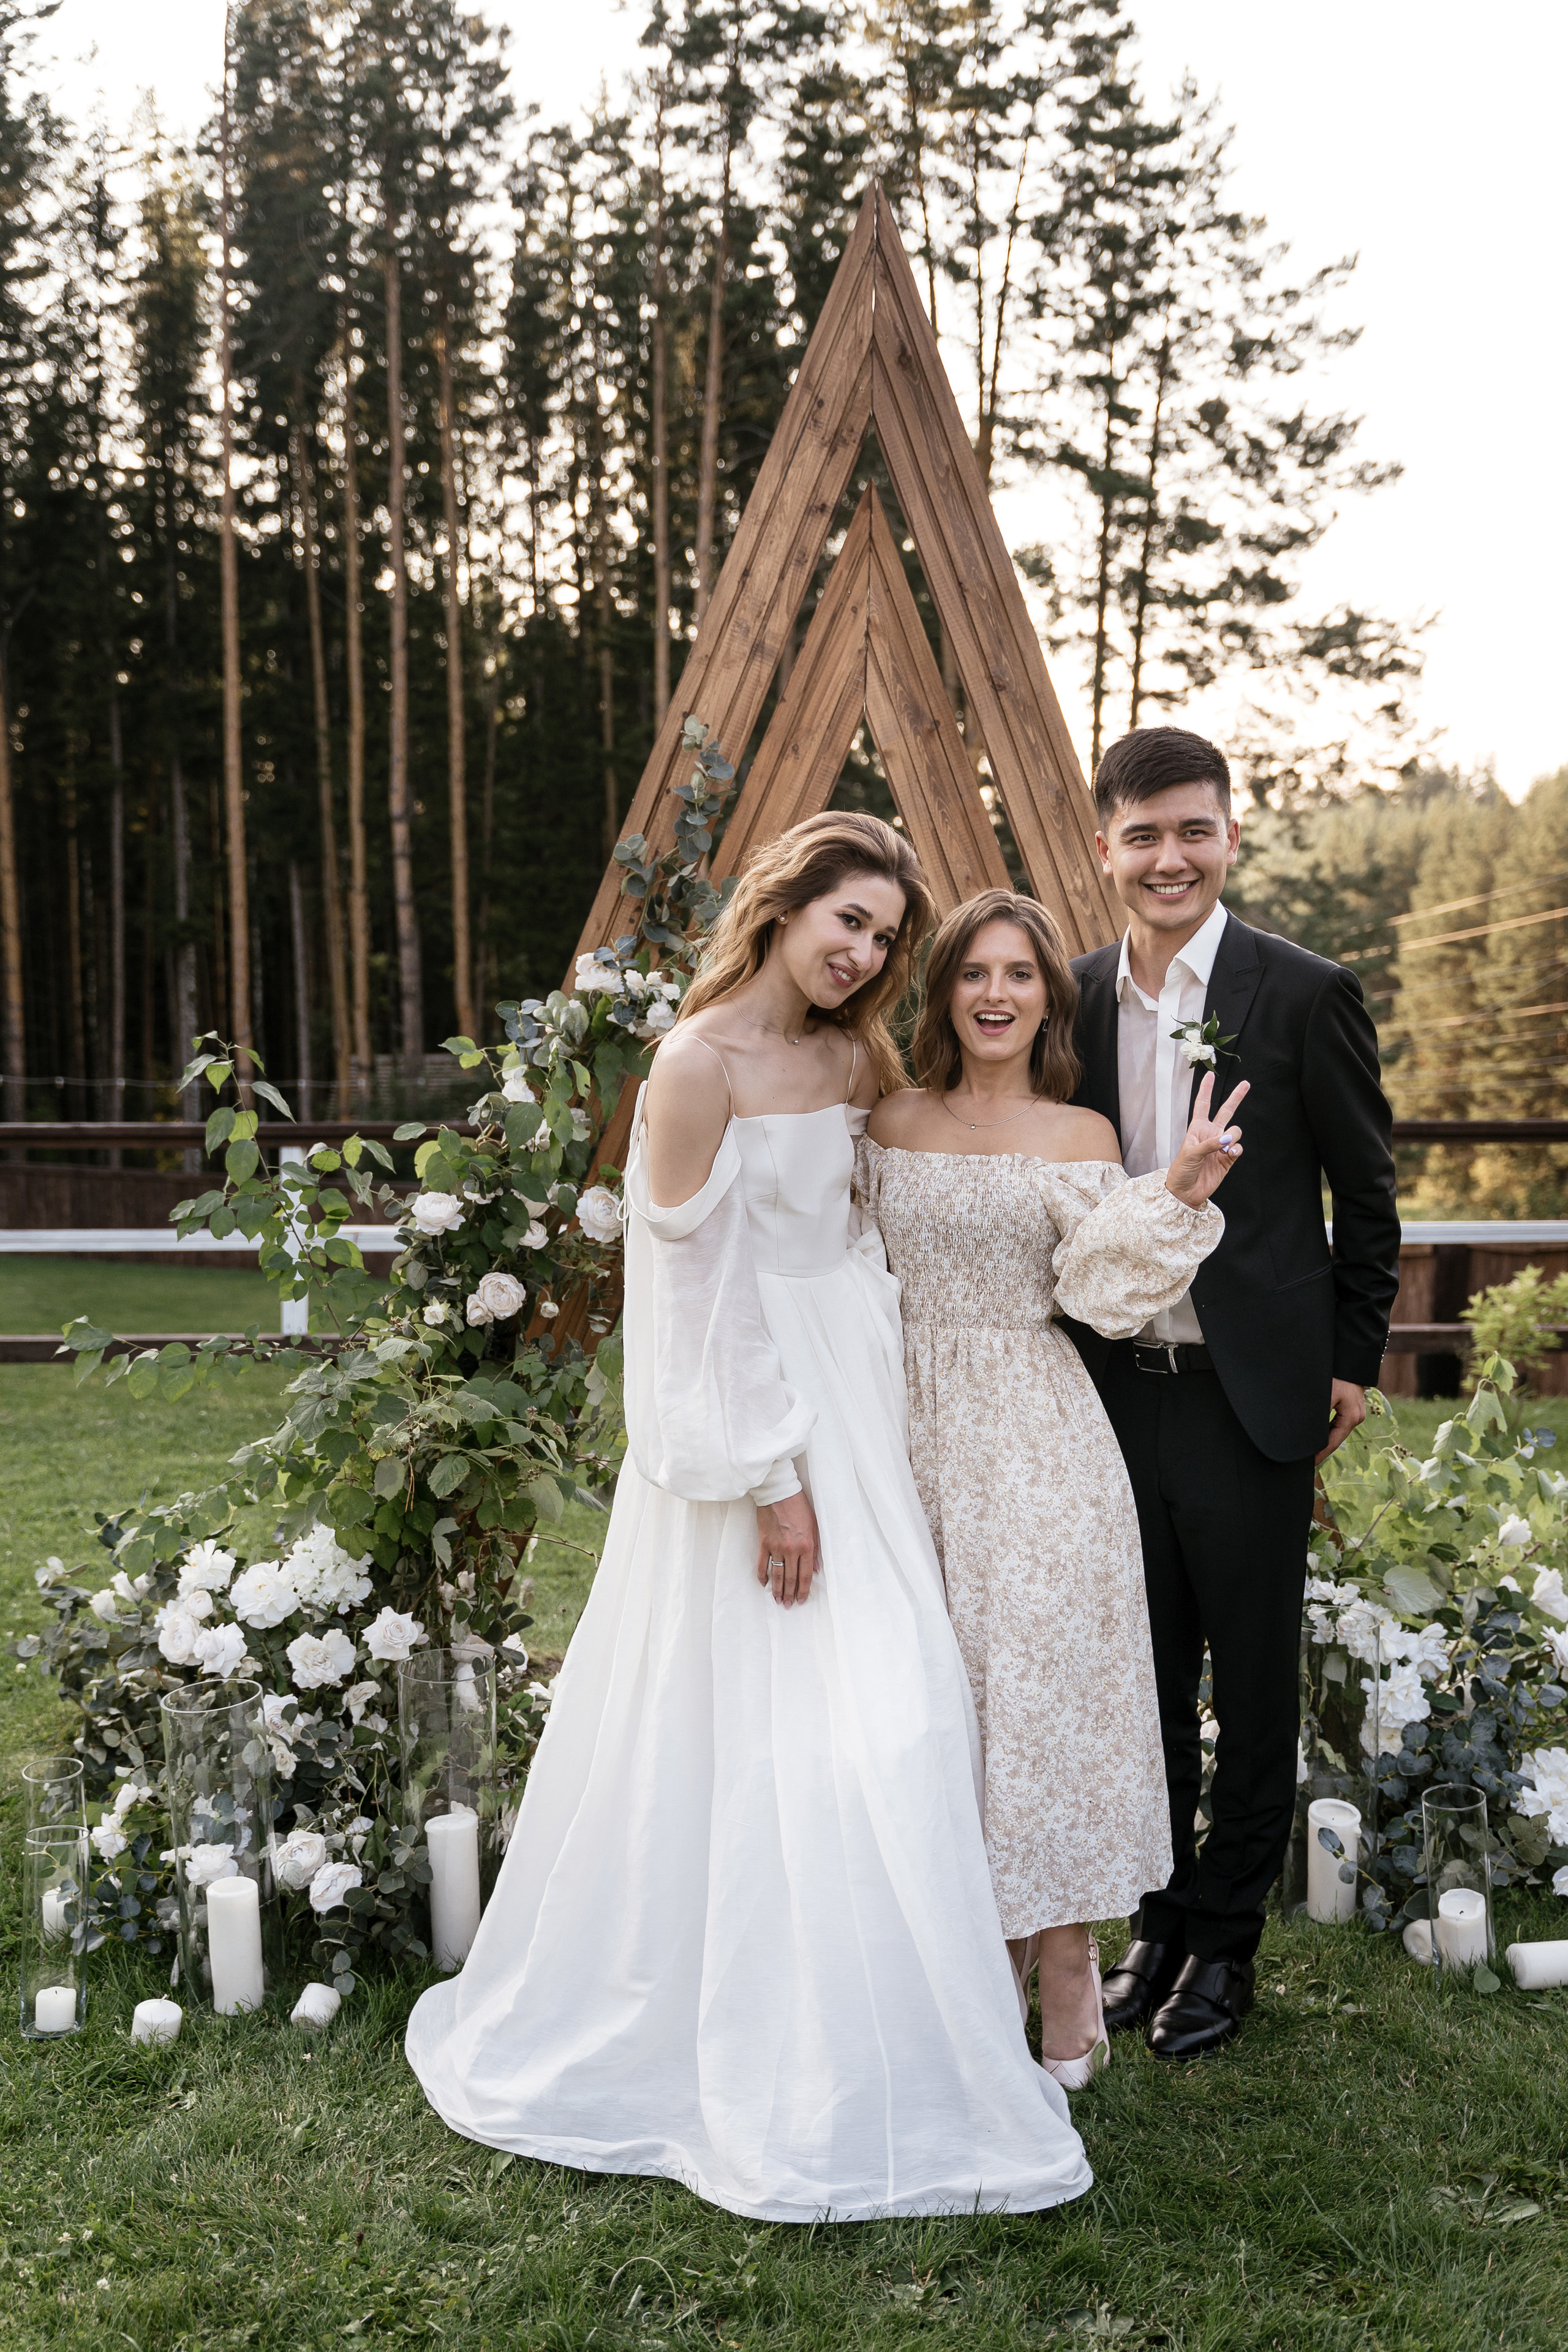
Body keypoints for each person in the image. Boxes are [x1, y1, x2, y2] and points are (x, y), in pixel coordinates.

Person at [405, 812, 1092, 2222]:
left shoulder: (859, 1058)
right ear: (780, 906)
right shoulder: (694, 1064)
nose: (862, 954)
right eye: (846, 921)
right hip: (756, 1427)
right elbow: (688, 1300)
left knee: (896, 1710)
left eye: (884, 938)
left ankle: (882, 2016)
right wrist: (771, 1482)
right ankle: (722, 2026)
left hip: (864, 1400)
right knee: (754, 1714)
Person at [859, 888, 1244, 2084]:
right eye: (971, 972)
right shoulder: (885, 1117)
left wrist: (1175, 1185)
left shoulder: (1076, 1135)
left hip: (1034, 1432)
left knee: (1029, 1692)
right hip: (893, 1426)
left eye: (1017, 974)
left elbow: (1094, 1289)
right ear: (941, 992)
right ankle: (960, 1968)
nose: (993, 993)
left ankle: (1065, 1959)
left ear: (1045, 998)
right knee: (931, 1699)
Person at [1064, 726, 1400, 2060]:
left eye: (1191, 830)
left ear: (1228, 837)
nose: (1168, 857)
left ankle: (1226, 1948)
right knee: (1137, 1676)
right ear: (1105, 850)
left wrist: (1349, 1360)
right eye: (1141, 834)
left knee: (1249, 1681)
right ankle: (1154, 1918)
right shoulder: (1075, 997)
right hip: (1106, 1387)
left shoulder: (1302, 991)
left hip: (1247, 1391)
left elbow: (1364, 1197)